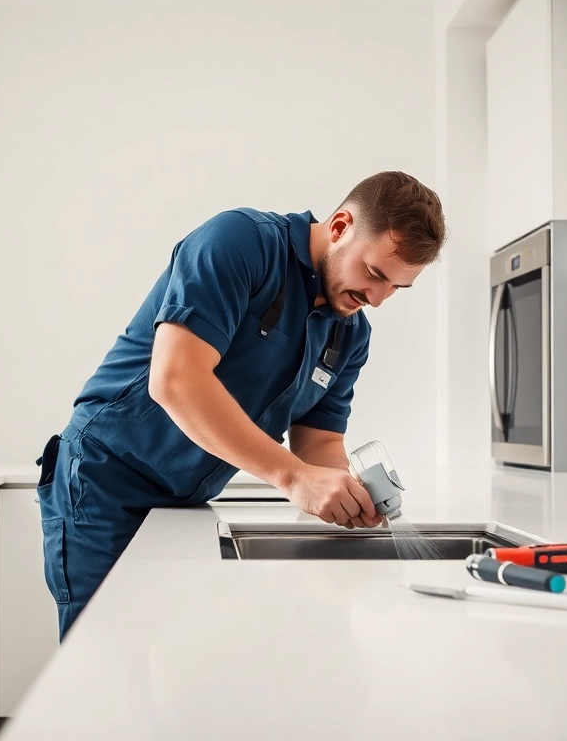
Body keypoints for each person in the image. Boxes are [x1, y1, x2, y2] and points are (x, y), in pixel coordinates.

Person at [34, 171, 447, 639]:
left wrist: (342, 493)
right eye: (374, 274)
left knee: (160, 667)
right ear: (339, 227)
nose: (377, 299)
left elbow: (321, 441)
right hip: (103, 483)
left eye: (397, 288)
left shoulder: (348, 333)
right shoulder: (240, 242)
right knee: (101, 662)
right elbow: (174, 381)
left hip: (186, 505)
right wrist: (293, 477)